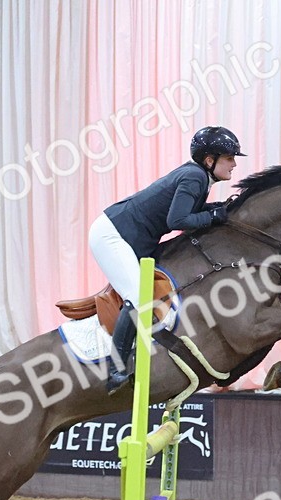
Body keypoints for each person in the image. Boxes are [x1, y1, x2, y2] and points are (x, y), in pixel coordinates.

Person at [88, 126, 245, 393]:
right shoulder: (195, 177)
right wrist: (215, 216)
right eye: (229, 158)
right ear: (210, 160)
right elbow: (178, 220)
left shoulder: (199, 177)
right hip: (112, 236)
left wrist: (219, 209)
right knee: (138, 298)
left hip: (126, 234)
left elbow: (188, 212)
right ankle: (116, 369)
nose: (234, 164)